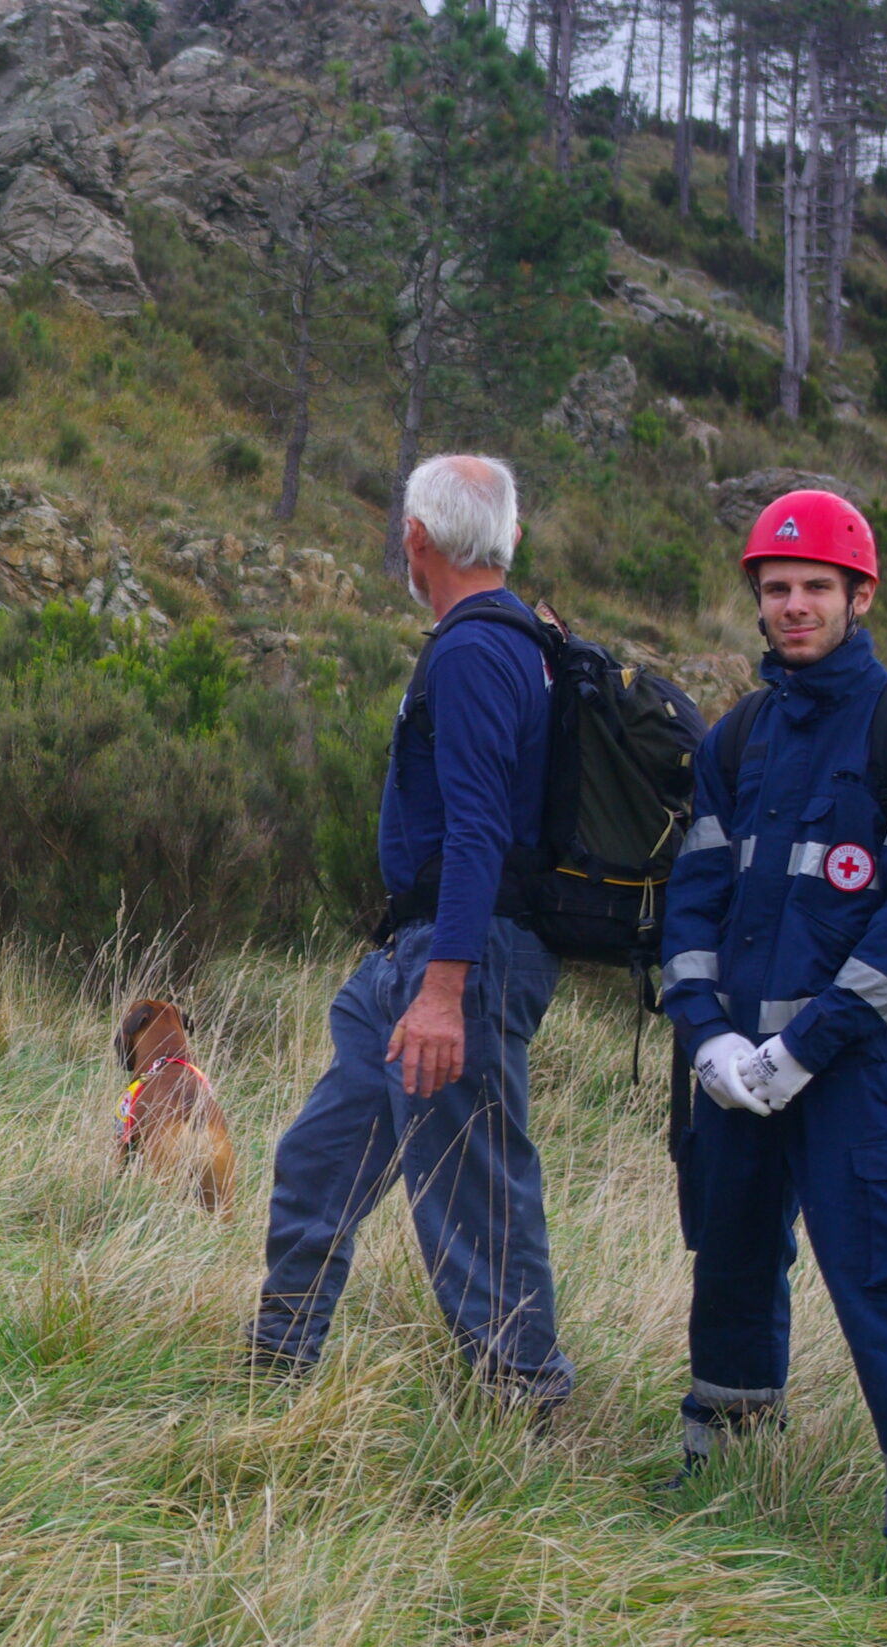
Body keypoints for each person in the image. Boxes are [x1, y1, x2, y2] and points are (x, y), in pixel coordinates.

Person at [662, 491, 887, 1596]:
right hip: (733, 1077)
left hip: (853, 1073)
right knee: (733, 1256)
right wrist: (705, 1039)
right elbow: (694, 899)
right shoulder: (737, 737)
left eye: (813, 588)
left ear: (859, 595)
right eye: (774, 589)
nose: (792, 606)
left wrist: (800, 1048)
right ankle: (724, 1468)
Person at [250, 454, 573, 1410]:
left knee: (471, 1195)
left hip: (454, 965)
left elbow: (478, 830)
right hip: (411, 959)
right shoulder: (509, 642)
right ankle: (277, 1371)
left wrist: (443, 990)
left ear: (416, 540)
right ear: (509, 538)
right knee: (319, 1157)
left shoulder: (476, 652)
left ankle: (527, 1405)